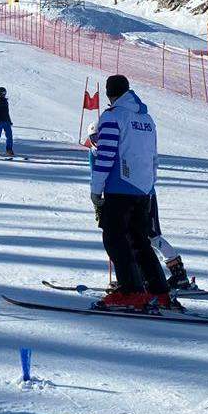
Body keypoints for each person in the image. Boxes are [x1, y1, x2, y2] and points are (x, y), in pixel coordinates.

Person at [89, 75, 171, 312]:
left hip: (120, 186)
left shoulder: (113, 117)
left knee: (115, 238)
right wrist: (149, 185)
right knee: (139, 240)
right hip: (143, 188)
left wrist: (96, 190)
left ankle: (131, 291)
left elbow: (105, 156)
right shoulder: (146, 118)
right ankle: (158, 290)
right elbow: (153, 156)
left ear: (109, 94)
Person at [84, 121, 190, 292]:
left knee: (151, 236)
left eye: (100, 137)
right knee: (127, 237)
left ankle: (178, 273)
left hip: (143, 195)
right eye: (94, 138)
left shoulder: (119, 148)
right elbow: (95, 174)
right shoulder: (93, 153)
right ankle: (136, 277)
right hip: (118, 198)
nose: (97, 141)